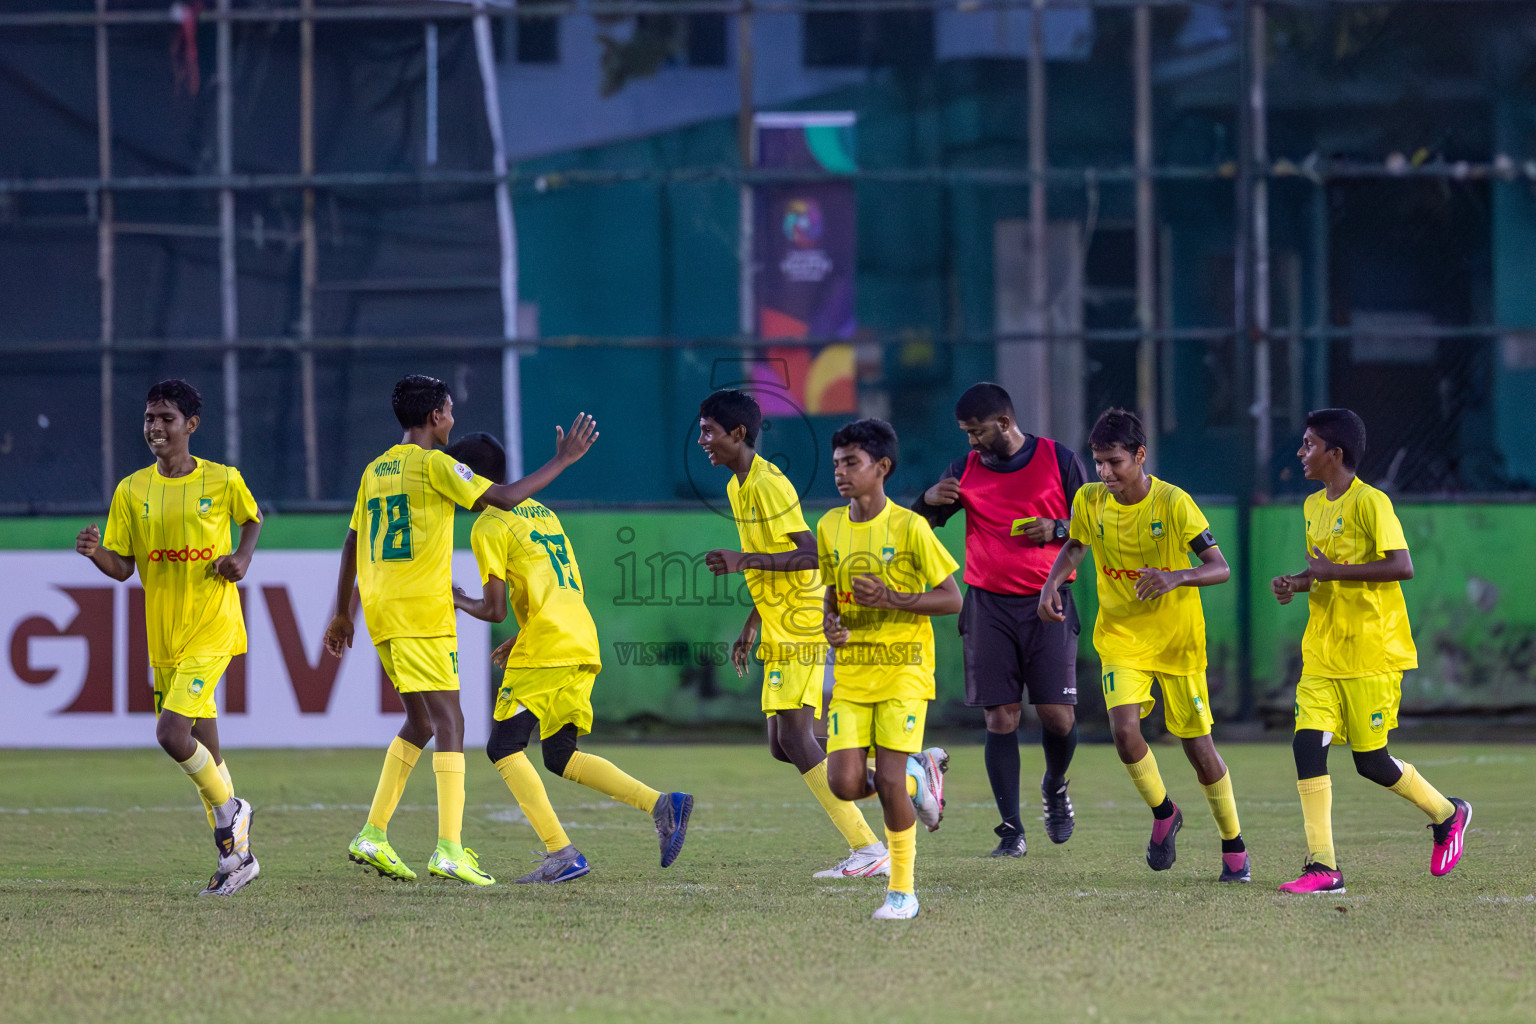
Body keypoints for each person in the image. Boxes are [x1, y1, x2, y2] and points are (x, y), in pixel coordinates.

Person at [322, 374, 599, 887]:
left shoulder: (374, 470)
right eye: (449, 411)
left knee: (422, 724)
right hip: (422, 611)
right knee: (453, 724)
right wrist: (563, 460)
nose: (453, 420)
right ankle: (449, 848)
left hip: (383, 612)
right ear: (434, 417)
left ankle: (373, 833)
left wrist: (343, 613)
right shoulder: (436, 465)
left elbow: (350, 544)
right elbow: (507, 497)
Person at [446, 431, 693, 882]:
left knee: (503, 748)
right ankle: (662, 805)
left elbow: (494, 607)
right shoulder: (539, 510)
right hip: (578, 638)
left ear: (470, 479)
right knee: (560, 754)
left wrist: (459, 599)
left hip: (548, 645)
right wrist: (523, 635)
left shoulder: (487, 525)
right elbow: (549, 582)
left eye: (452, 476)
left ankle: (561, 853)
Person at [1038, 408, 1250, 882]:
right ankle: (1164, 812)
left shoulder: (1174, 504)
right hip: (1121, 637)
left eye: (1114, 462)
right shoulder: (1090, 500)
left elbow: (1220, 566)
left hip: (1176, 642)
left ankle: (1233, 843)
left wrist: (1176, 576)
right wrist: (1050, 585)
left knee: (1198, 748)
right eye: (1098, 462)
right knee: (1124, 733)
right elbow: (1074, 545)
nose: (1105, 473)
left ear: (1139, 455)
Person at [1270, 409, 1472, 894]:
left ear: (1335, 454)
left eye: (1308, 445)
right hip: (1323, 650)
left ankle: (1448, 814)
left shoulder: (1371, 502)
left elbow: (1402, 566)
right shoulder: (1312, 506)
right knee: (1306, 745)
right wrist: (1295, 583)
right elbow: (1324, 570)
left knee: (1371, 762)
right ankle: (1323, 867)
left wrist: (1333, 573)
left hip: (1372, 652)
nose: (1301, 453)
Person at [75, 379, 262, 896]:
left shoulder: (222, 480)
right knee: (206, 751)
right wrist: (96, 555)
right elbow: (122, 567)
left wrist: (242, 558)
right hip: (165, 636)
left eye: (166, 419)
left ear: (190, 425)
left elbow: (253, 518)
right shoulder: (132, 490)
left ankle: (233, 811)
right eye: (149, 419)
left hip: (212, 626)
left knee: (170, 735)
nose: (155, 428)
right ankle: (237, 860)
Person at [696, 390, 888, 880]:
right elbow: (767, 559)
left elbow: (810, 555)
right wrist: (751, 622)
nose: (702, 441)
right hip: (777, 619)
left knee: (796, 736)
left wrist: (742, 562)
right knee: (782, 744)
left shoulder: (767, 483)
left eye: (709, 431)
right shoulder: (739, 486)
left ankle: (868, 847)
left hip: (801, 619)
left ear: (737, 433)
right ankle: (905, 774)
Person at [913, 382, 1088, 857]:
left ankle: (1054, 786)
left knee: (1057, 714)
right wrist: (927, 501)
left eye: (976, 431)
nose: (970, 442)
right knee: (1001, 716)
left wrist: (1058, 528)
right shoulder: (963, 470)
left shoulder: (1059, 460)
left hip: (1047, 601)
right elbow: (915, 526)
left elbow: (1099, 524)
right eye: (965, 433)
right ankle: (1011, 830)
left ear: (1005, 423)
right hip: (987, 604)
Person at [819, 419, 963, 920]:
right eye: (837, 463)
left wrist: (895, 597)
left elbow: (952, 598)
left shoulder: (910, 527)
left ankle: (902, 892)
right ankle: (921, 779)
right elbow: (831, 597)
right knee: (843, 782)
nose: (840, 473)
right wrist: (831, 627)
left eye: (851, 463)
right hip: (854, 673)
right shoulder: (830, 526)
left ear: (881, 467)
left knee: (888, 783)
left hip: (904, 669)